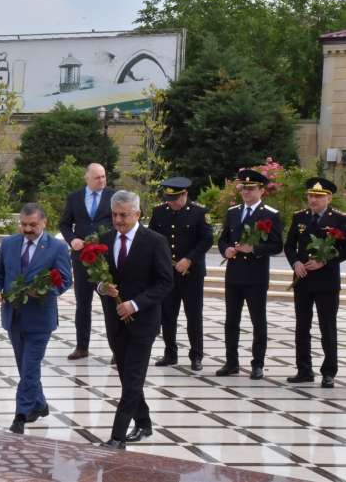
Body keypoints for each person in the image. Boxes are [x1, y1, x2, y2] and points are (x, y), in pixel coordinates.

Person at [95, 190, 173, 449]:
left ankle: (117, 437)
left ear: (137, 214)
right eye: (115, 214)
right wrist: (102, 287)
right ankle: (144, 422)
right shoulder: (105, 240)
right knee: (127, 376)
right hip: (114, 322)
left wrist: (135, 304)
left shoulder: (155, 241)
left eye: (124, 215)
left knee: (133, 376)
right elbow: (96, 277)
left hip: (143, 322)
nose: (118, 220)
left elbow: (165, 282)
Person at [0, 203, 72, 434]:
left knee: (30, 367)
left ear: (44, 223)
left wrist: (44, 291)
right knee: (26, 368)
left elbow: (65, 280)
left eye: (32, 225)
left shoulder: (56, 248)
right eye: (24, 224)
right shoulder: (8, 244)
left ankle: (20, 416)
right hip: (13, 317)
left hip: (40, 320)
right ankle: (40, 404)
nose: (27, 229)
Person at [217, 169, 283, 380]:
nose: (246, 192)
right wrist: (225, 249)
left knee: (258, 321)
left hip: (255, 276)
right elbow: (223, 239)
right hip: (234, 274)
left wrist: (253, 249)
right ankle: (231, 362)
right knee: (231, 321)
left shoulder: (270, 214)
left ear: (261, 190)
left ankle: (258, 363)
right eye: (244, 188)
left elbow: (276, 245)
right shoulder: (233, 212)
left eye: (251, 188)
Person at [284, 177, 346, 388]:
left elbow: (344, 249)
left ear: (328, 197)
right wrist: (295, 263)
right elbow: (289, 246)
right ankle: (304, 369)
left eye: (318, 196)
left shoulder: (339, 219)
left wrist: (324, 261)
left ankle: (328, 372)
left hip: (326, 281)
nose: (313, 200)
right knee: (302, 326)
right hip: (303, 280)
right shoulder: (299, 217)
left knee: (326, 326)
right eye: (311, 196)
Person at [149, 177, 213, 371]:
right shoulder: (159, 212)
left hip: (191, 273)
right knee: (168, 314)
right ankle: (170, 353)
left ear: (185, 194)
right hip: (168, 273)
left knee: (193, 315)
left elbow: (207, 240)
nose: (172, 203)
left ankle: (196, 355)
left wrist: (189, 259)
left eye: (175, 198)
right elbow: (152, 237)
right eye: (169, 198)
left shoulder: (199, 212)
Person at [60, 163, 116, 360]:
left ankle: (117, 350)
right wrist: (72, 239)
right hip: (82, 259)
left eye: (103, 176)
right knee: (82, 305)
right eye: (97, 177)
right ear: (87, 178)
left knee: (110, 305)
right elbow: (64, 224)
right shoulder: (74, 198)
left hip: (105, 259)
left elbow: (120, 222)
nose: (102, 180)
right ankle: (82, 347)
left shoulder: (112, 196)